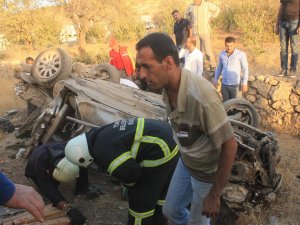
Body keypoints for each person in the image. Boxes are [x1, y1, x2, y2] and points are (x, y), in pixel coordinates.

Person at [135, 32, 237, 225]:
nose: (141, 74)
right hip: (186, 164)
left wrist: (214, 195)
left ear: (168, 62)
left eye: (147, 67)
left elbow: (230, 145)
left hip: (206, 174)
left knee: (197, 222)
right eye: (140, 67)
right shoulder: (166, 88)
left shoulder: (202, 97)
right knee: (170, 210)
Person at [64, 118, 179, 225]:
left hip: (159, 150)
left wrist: (128, 186)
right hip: (170, 143)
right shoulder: (99, 134)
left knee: (141, 200)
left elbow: (131, 174)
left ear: (82, 157)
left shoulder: (102, 150)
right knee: (161, 193)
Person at [25, 142, 89, 225]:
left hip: (56, 148)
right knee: (49, 186)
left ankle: (81, 188)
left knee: (81, 168)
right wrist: (68, 208)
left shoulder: (73, 153)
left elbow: (83, 166)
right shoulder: (37, 165)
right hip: (34, 166)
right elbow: (51, 192)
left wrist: (84, 186)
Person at [186, 0, 220, 71]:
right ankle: (201, 65)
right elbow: (187, 14)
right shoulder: (191, 6)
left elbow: (217, 10)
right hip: (195, 32)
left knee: (207, 50)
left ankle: (212, 65)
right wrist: (190, 22)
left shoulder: (206, 5)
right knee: (198, 51)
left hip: (205, 31)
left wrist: (211, 17)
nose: (194, 1)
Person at [214, 36, 249, 102]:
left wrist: (245, 83)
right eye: (227, 46)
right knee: (226, 105)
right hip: (224, 85)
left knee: (236, 106)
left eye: (231, 46)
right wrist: (215, 80)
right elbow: (219, 68)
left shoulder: (241, 54)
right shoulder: (222, 54)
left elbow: (245, 69)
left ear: (234, 45)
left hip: (235, 85)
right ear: (225, 45)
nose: (229, 48)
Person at [275, 0, 300, 78]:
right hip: (282, 23)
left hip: (294, 22)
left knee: (294, 48)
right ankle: (284, 69)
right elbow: (281, 8)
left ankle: (292, 70)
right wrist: (276, 24)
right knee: (283, 48)